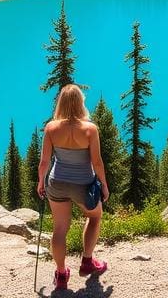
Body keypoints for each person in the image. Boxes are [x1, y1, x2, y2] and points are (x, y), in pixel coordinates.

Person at [37, 84, 110, 292]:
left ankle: (61, 275)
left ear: (60, 103)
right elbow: (97, 162)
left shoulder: (51, 128)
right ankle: (87, 261)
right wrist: (104, 185)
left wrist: (41, 182)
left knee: (60, 228)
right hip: (83, 184)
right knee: (94, 216)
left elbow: (44, 162)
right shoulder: (89, 129)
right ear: (80, 103)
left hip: (57, 183)